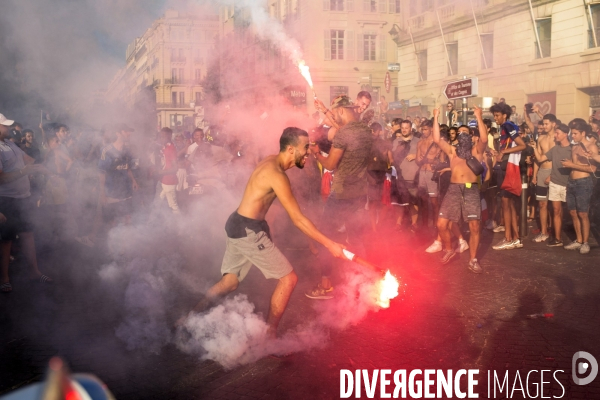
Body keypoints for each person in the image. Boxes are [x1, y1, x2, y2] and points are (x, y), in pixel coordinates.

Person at [181, 127, 345, 337]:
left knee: (229, 282)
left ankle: (189, 318)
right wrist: (330, 244)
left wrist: (266, 225)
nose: (309, 152)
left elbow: (262, 198)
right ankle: (269, 337)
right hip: (248, 230)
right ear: (291, 149)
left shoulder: (272, 161)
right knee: (289, 279)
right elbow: (297, 219)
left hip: (238, 223)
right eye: (306, 148)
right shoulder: (277, 175)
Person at [307, 95, 374, 299]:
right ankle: (363, 281)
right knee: (356, 237)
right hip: (360, 192)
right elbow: (344, 130)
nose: (335, 117)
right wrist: (327, 110)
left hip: (342, 192)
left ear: (343, 111)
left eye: (337, 113)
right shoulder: (365, 130)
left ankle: (325, 284)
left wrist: (316, 153)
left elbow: (330, 165)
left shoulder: (344, 134)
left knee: (326, 237)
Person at [0, 113, 53, 293]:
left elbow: (28, 160)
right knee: (6, 241)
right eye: (4, 126)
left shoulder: (11, 144)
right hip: (7, 200)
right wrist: (25, 171)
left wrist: (43, 165)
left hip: (24, 197)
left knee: (28, 234)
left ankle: (34, 272)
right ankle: (4, 279)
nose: (8, 128)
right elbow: (1, 179)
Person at [432, 106, 488, 273]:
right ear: (457, 137)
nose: (463, 134)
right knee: (441, 224)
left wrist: (478, 116)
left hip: (471, 190)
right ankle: (449, 249)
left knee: (475, 226)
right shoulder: (452, 151)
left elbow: (484, 139)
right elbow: (437, 139)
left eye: (466, 132)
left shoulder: (476, 151)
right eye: (460, 132)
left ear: (471, 137)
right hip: (454, 189)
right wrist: (436, 117)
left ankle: (473, 259)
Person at [491, 103, 526, 250]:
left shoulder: (507, 125)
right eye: (494, 115)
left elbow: (522, 145)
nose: (495, 118)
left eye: (497, 115)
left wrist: (503, 153)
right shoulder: (506, 126)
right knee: (510, 205)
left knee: (506, 204)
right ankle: (515, 238)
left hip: (508, 169)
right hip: (507, 167)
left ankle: (508, 238)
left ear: (504, 115)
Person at [560, 119, 598, 254]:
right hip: (572, 182)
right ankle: (579, 240)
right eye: (572, 133)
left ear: (583, 132)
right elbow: (574, 165)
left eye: (575, 133)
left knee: (583, 213)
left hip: (584, 183)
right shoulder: (575, 147)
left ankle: (586, 242)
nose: (573, 136)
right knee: (573, 212)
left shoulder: (591, 147)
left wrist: (572, 165)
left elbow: (592, 168)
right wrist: (569, 164)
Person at [533, 123, 573, 247]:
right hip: (554, 182)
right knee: (554, 209)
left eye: (558, 133)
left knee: (572, 212)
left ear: (565, 134)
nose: (555, 136)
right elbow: (540, 159)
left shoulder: (573, 149)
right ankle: (557, 238)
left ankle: (581, 239)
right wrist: (534, 147)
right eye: (555, 133)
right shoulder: (554, 149)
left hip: (566, 183)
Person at [531, 114, 557, 243]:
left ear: (553, 124)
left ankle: (555, 232)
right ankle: (544, 232)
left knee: (555, 205)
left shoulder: (558, 138)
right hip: (542, 172)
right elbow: (537, 158)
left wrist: (553, 175)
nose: (544, 126)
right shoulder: (540, 138)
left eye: (547, 124)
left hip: (554, 172)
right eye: (543, 124)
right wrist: (535, 175)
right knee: (542, 204)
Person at [391, 119, 420, 231]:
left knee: (414, 201)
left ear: (411, 129)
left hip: (412, 176)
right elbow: (391, 156)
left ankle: (414, 223)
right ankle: (398, 223)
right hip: (399, 176)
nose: (404, 130)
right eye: (402, 128)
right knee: (399, 202)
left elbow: (424, 155)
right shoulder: (396, 141)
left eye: (406, 128)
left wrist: (415, 155)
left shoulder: (418, 141)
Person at [366, 122, 392, 232]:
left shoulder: (384, 143)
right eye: (372, 130)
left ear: (380, 131)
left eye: (375, 130)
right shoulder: (366, 144)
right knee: (373, 203)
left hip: (383, 175)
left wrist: (390, 168)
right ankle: (374, 228)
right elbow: (363, 162)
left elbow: (390, 159)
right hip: (370, 175)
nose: (373, 133)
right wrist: (368, 177)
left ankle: (379, 224)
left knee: (384, 202)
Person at [156, 127, 180, 214]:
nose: (161, 139)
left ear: (169, 136)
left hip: (169, 181)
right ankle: (151, 222)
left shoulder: (171, 149)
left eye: (164, 137)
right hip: (164, 180)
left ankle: (180, 225)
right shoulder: (165, 147)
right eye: (160, 136)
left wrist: (160, 172)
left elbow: (175, 168)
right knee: (157, 203)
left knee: (173, 205)